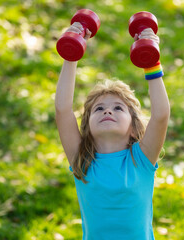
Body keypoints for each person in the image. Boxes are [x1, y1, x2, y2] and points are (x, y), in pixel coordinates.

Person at [55, 21, 170, 240]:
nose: (108, 111)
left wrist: (151, 61)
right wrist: (71, 54)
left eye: (118, 108)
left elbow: (161, 115)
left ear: (134, 127)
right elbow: (63, 110)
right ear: (87, 127)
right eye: (99, 108)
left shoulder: (141, 159)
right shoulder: (82, 160)